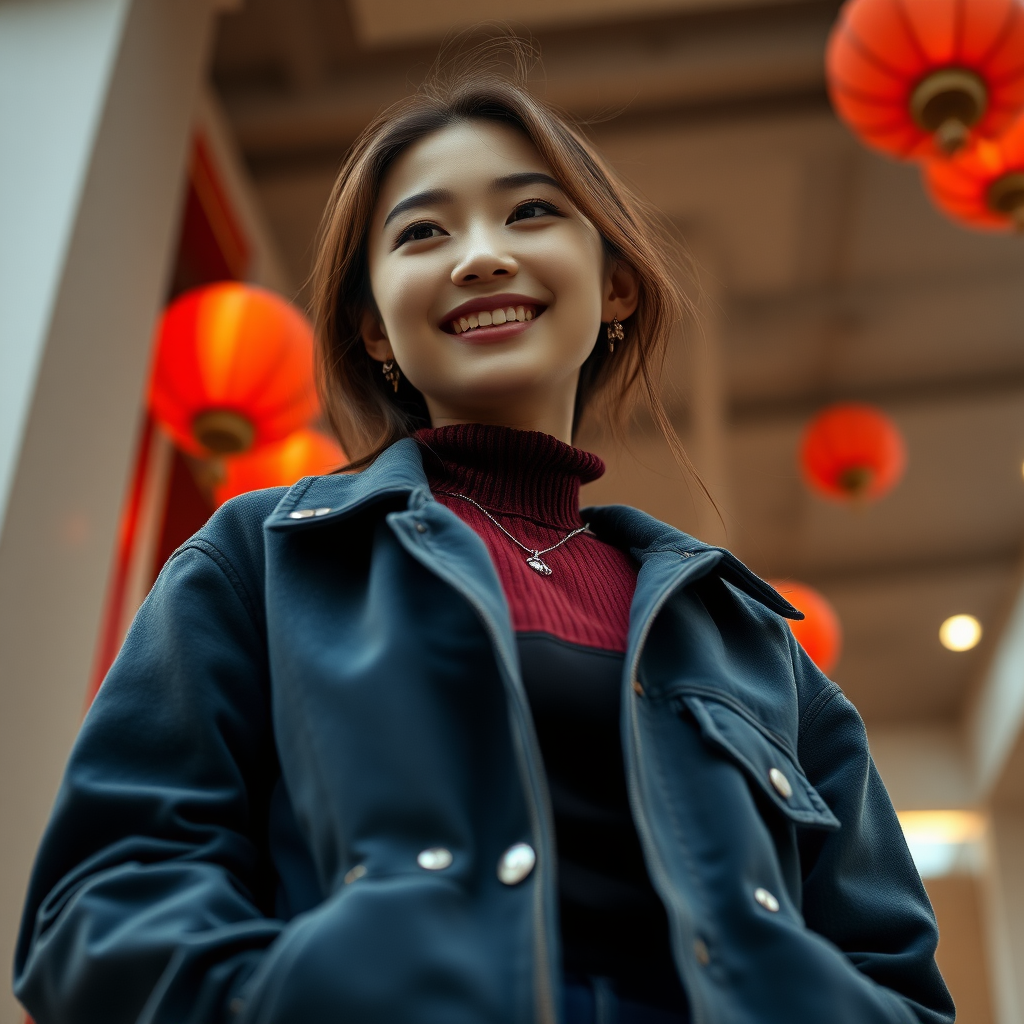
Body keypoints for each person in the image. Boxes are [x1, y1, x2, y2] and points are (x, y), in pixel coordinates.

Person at [15, 46, 954, 1024]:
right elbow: (99, 905)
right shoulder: (259, 561)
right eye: (422, 232)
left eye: (531, 212)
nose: (479, 254)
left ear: (617, 284)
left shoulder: (753, 642)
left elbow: (900, 982)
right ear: (374, 325)